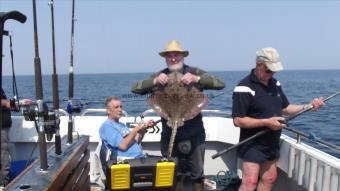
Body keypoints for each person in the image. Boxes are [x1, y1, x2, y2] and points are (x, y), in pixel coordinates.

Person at [131, 40, 225, 191]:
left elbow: (221, 84)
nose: (173, 59)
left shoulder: (194, 71)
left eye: (176, 55)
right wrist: (155, 81)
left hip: (194, 135)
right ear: (165, 58)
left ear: (183, 56)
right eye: (169, 56)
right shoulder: (160, 75)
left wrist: (197, 79)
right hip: (170, 133)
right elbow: (135, 88)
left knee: (197, 174)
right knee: (172, 173)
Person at [232, 47, 324, 191]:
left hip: (271, 142)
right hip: (252, 143)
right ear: (258, 64)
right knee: (249, 182)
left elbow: (287, 109)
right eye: (269, 70)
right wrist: (267, 122)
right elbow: (238, 120)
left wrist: (309, 106)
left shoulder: (275, 84)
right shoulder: (243, 88)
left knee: (269, 178)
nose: (271, 74)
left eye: (274, 70)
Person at [99, 96, 155, 163]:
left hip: (138, 158)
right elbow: (123, 146)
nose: (120, 110)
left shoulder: (122, 125)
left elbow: (135, 142)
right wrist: (135, 129)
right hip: (126, 162)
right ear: (108, 111)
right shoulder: (107, 126)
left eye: (121, 107)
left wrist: (142, 131)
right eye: (116, 107)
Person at [0, 88, 31, 187]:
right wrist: (7, 104)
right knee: (3, 153)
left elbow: (5, 103)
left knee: (4, 153)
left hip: (4, 125)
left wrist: (17, 104)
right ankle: (3, 182)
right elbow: (4, 103)